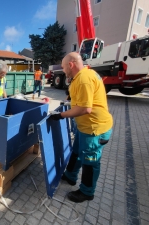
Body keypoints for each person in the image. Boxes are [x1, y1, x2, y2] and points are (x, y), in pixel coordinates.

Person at [50, 52, 113, 203]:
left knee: (90, 161)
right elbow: (79, 99)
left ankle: (87, 192)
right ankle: (70, 176)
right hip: (84, 127)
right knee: (77, 152)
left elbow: (85, 109)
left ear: (71, 65)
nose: (63, 71)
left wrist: (61, 116)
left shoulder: (84, 79)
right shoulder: (82, 76)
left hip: (94, 129)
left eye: (64, 67)